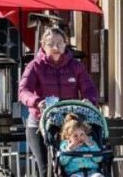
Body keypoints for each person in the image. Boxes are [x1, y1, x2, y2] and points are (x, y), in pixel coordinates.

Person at [19, 27, 99, 175]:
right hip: (40, 122)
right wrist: (37, 101)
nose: (55, 47)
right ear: (43, 45)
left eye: (59, 43)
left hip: (68, 123)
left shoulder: (76, 66)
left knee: (68, 163)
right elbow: (23, 91)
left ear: (65, 44)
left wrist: (89, 100)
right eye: (50, 44)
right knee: (45, 168)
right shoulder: (35, 66)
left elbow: (89, 88)